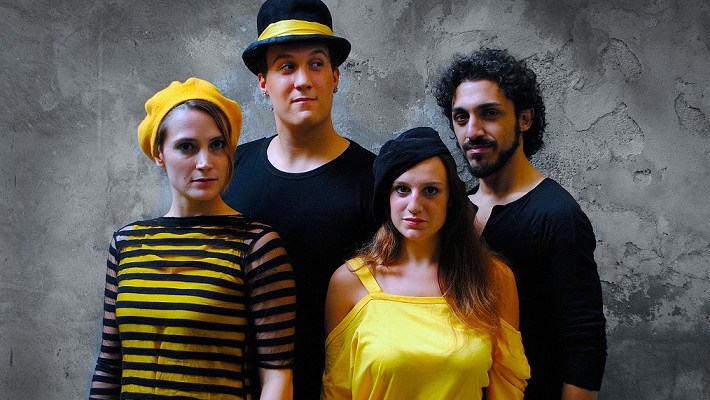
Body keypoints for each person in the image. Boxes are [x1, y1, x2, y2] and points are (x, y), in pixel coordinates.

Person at [90, 78, 296, 400]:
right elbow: (109, 365)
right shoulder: (127, 243)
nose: (205, 162)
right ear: (159, 153)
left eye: (217, 145)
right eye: (187, 146)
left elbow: (277, 377)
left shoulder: (256, 245)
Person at [222, 1, 378, 397]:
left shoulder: (378, 181)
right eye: (287, 66)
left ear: (335, 76)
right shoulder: (228, 171)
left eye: (316, 64)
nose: (303, 80)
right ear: (263, 81)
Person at [434, 48, 607, 400]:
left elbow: (583, 344)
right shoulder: (454, 208)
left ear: (524, 119)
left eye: (489, 113)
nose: (472, 131)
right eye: (461, 117)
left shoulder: (558, 216)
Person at [322, 127, 530, 399]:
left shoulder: (493, 278)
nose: (414, 205)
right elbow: (337, 391)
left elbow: (507, 388)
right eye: (402, 190)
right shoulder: (350, 282)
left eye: (431, 190)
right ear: (386, 197)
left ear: (450, 199)